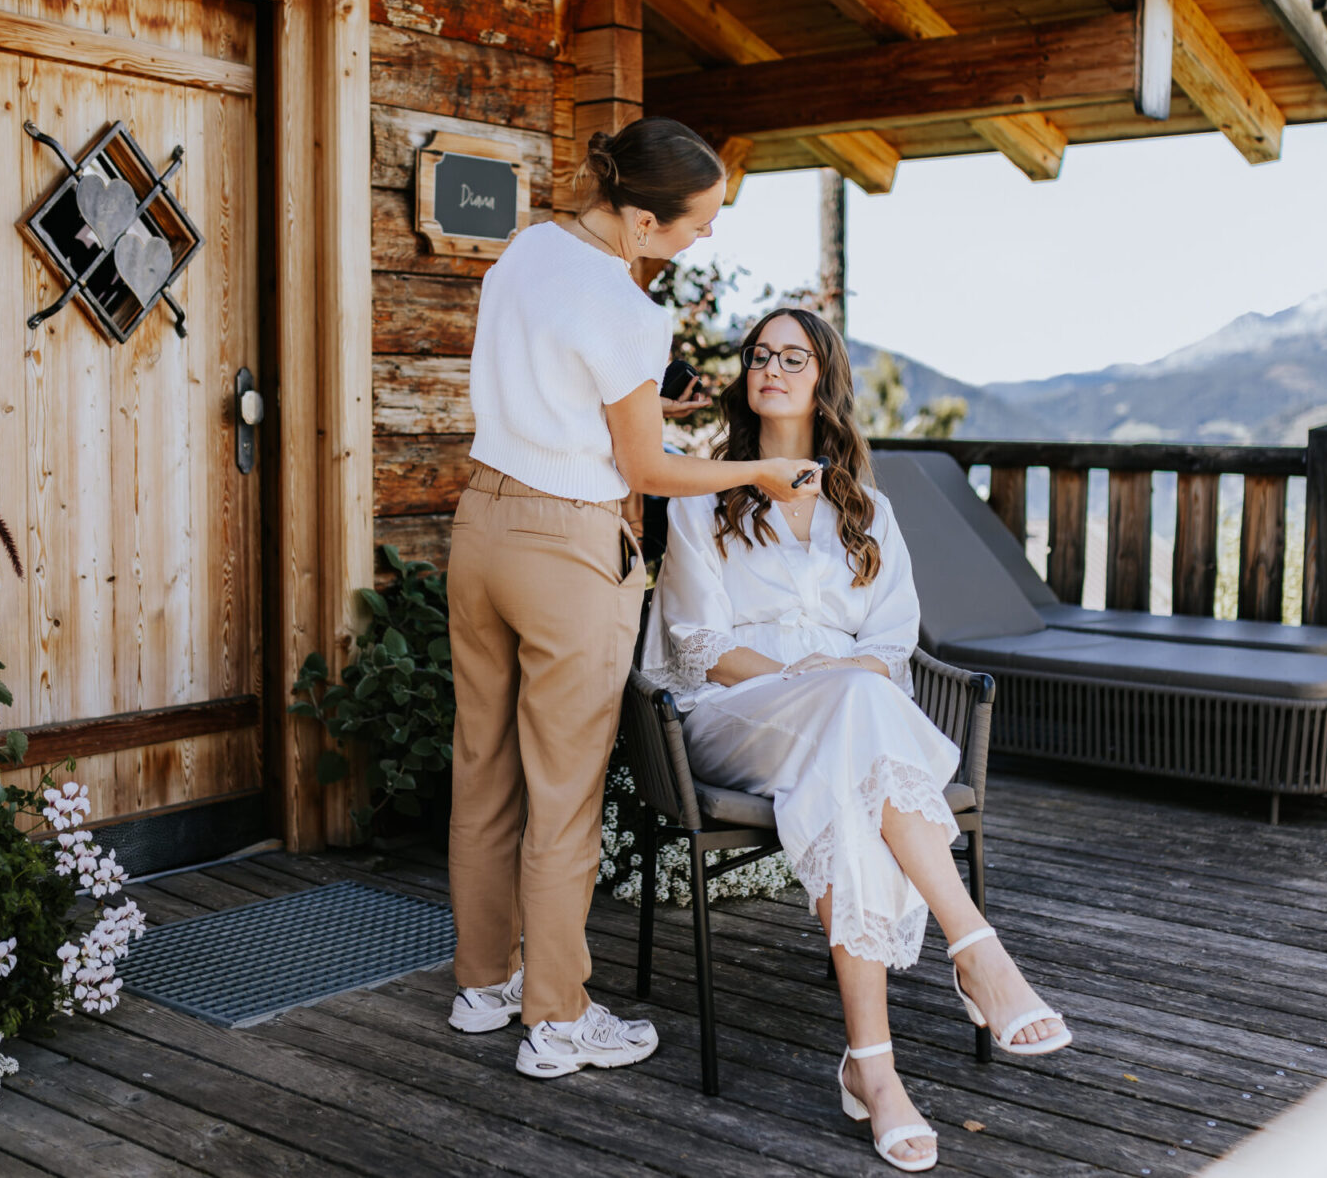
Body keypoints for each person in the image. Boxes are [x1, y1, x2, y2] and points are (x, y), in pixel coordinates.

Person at [642, 308, 1069, 1173]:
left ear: (822, 377)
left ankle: (873, 1070)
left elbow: (892, 641)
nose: (770, 367)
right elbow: (699, 645)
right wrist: (815, 682)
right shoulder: (703, 492)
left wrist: (842, 686)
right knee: (850, 710)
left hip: (847, 734)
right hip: (739, 718)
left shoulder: (864, 509)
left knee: (849, 758)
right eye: (758, 355)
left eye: (791, 356)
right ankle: (974, 948)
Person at [445, 118, 822, 1081]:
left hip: (480, 529)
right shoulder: (628, 313)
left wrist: (656, 402)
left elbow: (564, 392)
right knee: (563, 795)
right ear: (646, 220)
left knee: (484, 767)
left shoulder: (528, 248)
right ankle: (559, 1018)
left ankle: (485, 984)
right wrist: (760, 475)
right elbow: (645, 473)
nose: (704, 238)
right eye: (698, 224)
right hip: (567, 549)